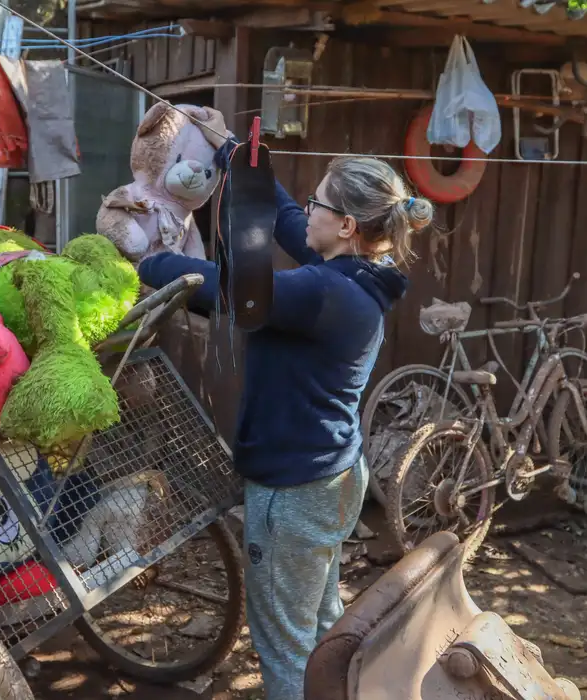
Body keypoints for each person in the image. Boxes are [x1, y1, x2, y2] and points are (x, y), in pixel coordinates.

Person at [137, 131, 434, 700]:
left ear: (347, 225)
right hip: (334, 473)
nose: (309, 205)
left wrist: (150, 260)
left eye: (320, 199)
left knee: (286, 646)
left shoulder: (321, 291)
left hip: (294, 491)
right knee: (321, 625)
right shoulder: (364, 272)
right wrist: (240, 161)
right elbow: (291, 220)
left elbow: (225, 287)